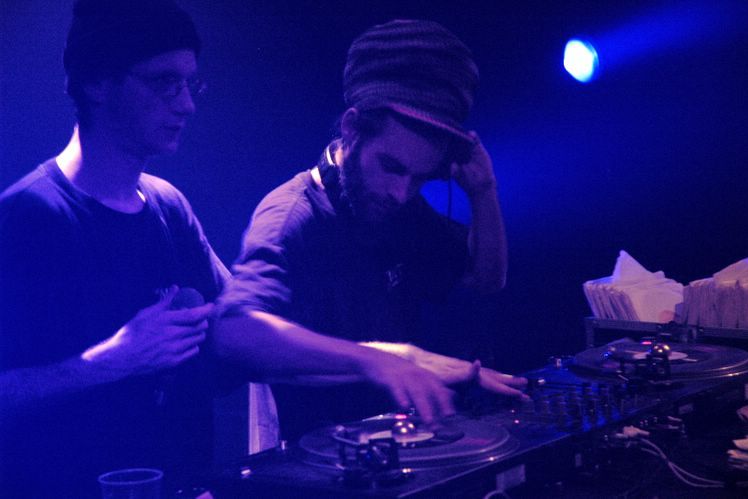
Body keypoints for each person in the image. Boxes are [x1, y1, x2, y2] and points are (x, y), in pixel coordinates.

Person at [0, 3, 464, 496]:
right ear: (97, 82)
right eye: (164, 82)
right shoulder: (27, 218)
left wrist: (393, 358)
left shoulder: (168, 206)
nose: (186, 104)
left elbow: (242, 334)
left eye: (190, 83)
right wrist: (111, 359)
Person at [214, 19, 527, 442]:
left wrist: (484, 192)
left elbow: (486, 280)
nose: (401, 192)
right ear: (351, 128)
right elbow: (234, 331)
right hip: (324, 458)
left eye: (420, 179)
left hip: (396, 446)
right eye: (391, 167)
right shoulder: (292, 216)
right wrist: (383, 358)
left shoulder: (399, 207)